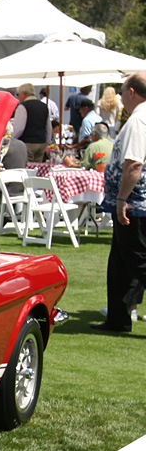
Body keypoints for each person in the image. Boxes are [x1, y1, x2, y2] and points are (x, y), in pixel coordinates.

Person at [92, 73, 146, 332]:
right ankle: (118, 317)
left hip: (134, 205)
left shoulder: (138, 120)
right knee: (120, 265)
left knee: (137, 261)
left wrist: (122, 198)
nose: (121, 97)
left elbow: (134, 164)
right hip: (134, 204)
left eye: (123, 91)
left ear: (132, 93)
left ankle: (119, 317)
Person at [13, 82, 51, 162]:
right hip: (41, 143)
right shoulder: (44, 106)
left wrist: (12, 139)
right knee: (37, 168)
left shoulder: (23, 106)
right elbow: (48, 127)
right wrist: (47, 143)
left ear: (24, 93)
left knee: (28, 168)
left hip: (27, 143)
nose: (18, 97)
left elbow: (19, 128)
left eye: (18, 94)